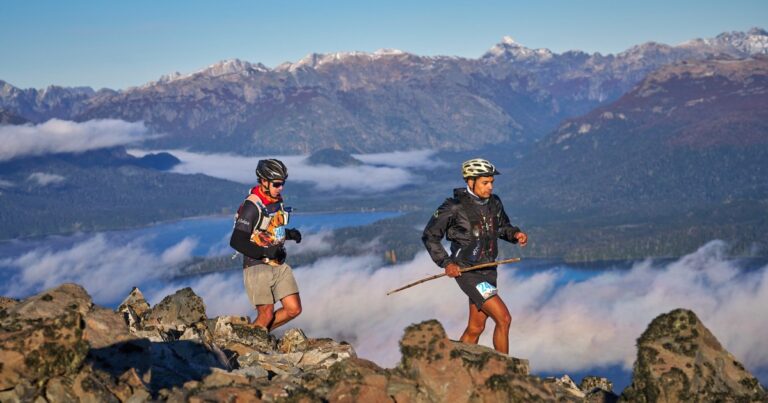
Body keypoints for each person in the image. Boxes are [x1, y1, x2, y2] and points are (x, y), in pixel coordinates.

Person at [422, 158, 528, 354]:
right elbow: (430, 236)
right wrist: (447, 263)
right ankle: (506, 371)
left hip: (489, 270)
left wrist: (515, 234)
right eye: (485, 183)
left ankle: (454, 366)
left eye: (492, 182)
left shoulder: (494, 203)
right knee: (504, 319)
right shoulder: (453, 207)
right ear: (470, 181)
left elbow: (503, 227)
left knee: (476, 327)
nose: (490, 187)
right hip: (468, 272)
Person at [230, 159, 303, 331]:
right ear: (263, 181)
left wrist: (289, 234)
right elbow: (236, 241)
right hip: (256, 265)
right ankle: (248, 344)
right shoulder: (251, 206)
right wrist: (264, 252)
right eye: (277, 184)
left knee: (294, 309)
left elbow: (267, 231)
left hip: (277, 262)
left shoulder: (276, 201)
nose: (281, 188)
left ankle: (259, 334)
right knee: (266, 314)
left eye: (283, 183)